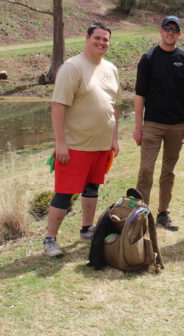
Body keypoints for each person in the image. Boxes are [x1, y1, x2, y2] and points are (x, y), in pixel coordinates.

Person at [43, 22, 121, 258]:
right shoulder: (72, 67)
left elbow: (114, 108)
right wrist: (60, 143)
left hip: (101, 145)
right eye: (97, 38)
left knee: (92, 188)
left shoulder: (111, 69)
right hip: (75, 146)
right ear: (87, 38)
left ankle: (87, 229)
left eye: (105, 39)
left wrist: (114, 139)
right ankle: (50, 240)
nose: (101, 43)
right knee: (65, 193)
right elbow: (58, 106)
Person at [133, 16, 184, 231]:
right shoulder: (148, 58)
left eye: (174, 30)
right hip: (152, 124)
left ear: (179, 34)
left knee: (169, 171)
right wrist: (138, 127)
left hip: (176, 125)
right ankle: (141, 214)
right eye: (167, 28)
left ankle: (163, 214)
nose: (170, 32)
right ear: (161, 31)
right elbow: (140, 95)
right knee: (146, 170)